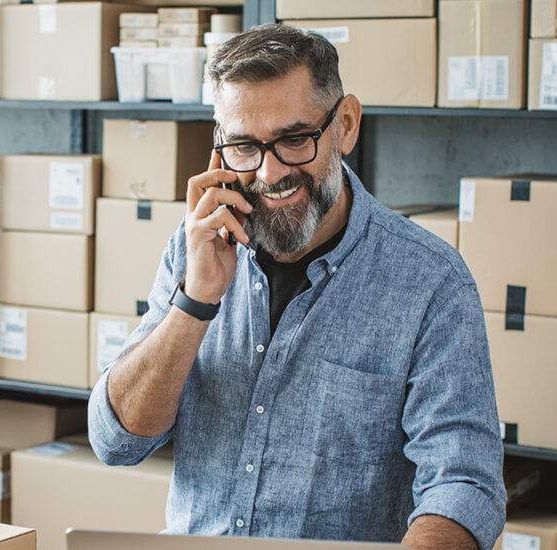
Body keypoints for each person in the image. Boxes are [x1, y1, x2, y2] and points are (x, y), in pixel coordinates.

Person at [88, 23, 505, 550]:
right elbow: (116, 441)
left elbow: (464, 484)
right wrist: (196, 301)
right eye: (243, 146)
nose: (270, 172)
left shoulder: (431, 282)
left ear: (346, 124)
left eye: (293, 139)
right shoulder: (191, 250)